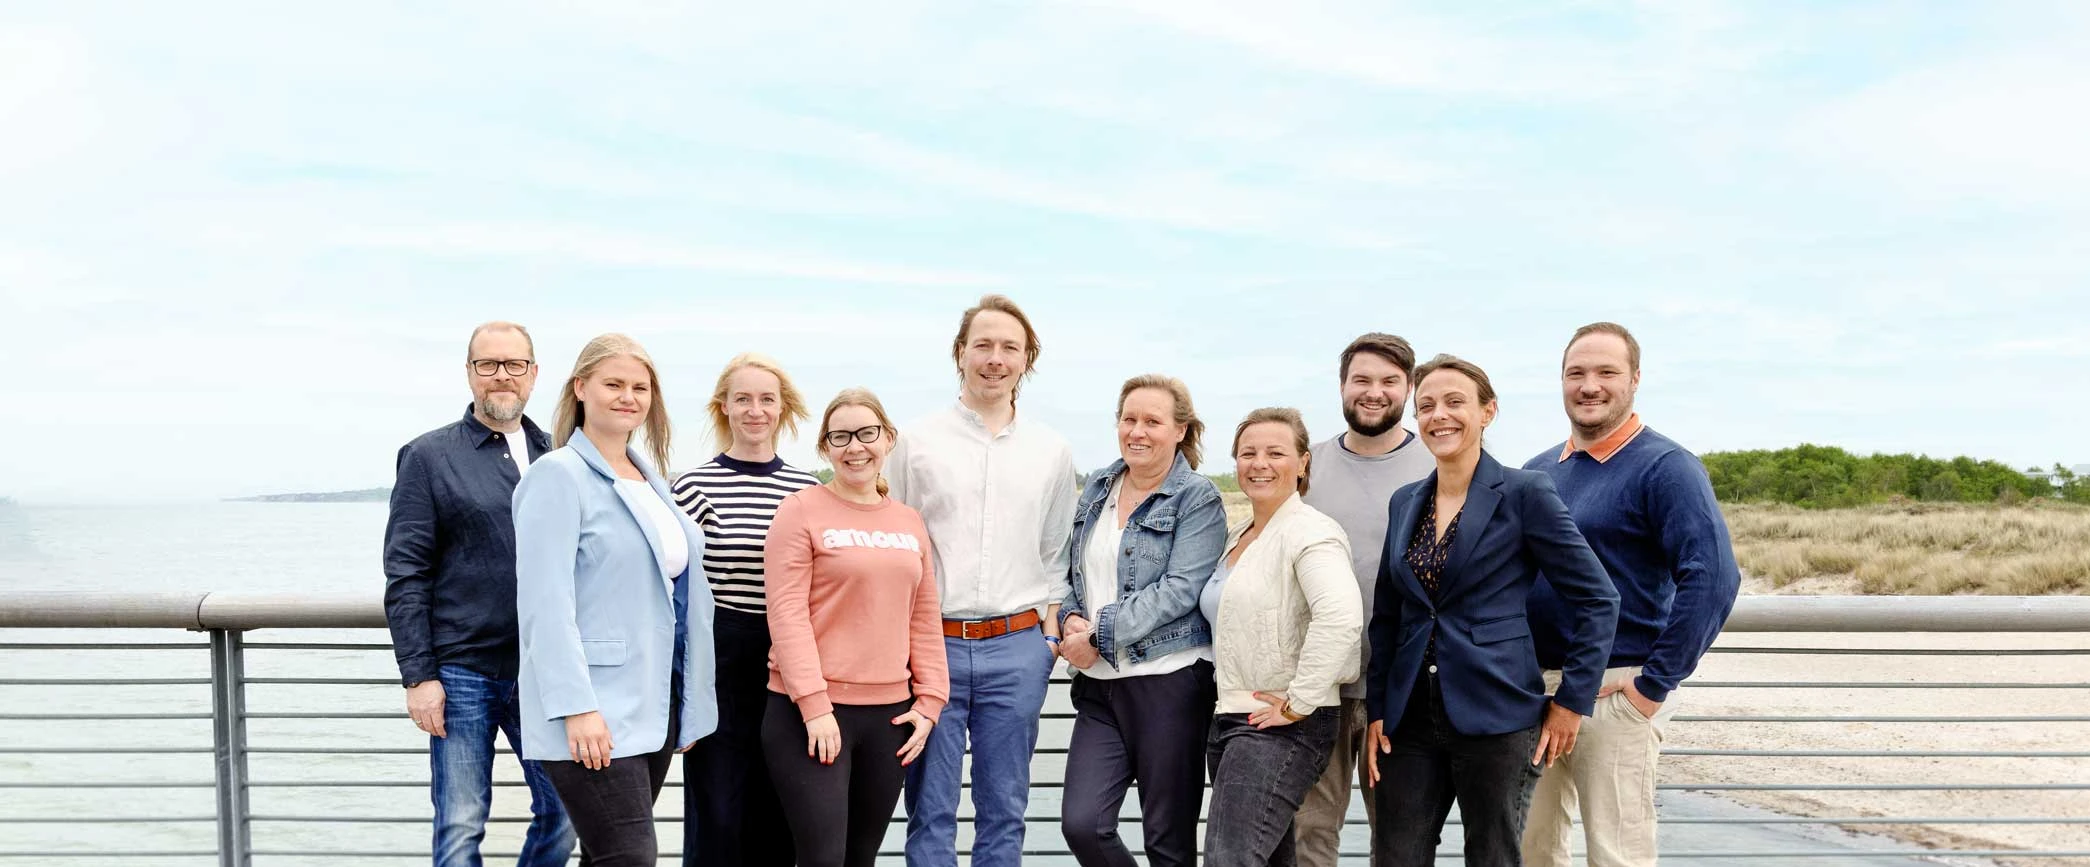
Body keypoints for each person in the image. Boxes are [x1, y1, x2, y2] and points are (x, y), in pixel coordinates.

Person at [1365, 354, 1618, 867]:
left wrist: (1572, 702)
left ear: (1488, 411)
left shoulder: (1525, 493)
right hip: (1409, 717)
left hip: (1498, 713)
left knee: (1494, 856)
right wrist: (1376, 709)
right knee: (1395, 856)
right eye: (1427, 406)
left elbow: (1597, 597)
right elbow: (1389, 616)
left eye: (1455, 402)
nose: (1440, 416)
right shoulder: (1404, 501)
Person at [1521, 323, 1741, 867]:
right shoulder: (1539, 470)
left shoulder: (1666, 467)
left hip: (1614, 693)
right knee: (1532, 851)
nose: (1589, 385)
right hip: (1530, 693)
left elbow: (1713, 578)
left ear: (1635, 380)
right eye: (1577, 373)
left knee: (1616, 854)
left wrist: (1652, 686)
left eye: (1606, 373)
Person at [889, 294, 1080, 867]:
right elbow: (897, 538)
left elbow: (1055, 550)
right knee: (929, 811)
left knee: (1005, 813)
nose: (995, 359)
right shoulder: (914, 441)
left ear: (1027, 360)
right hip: (932, 646)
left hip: (1018, 648)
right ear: (960, 353)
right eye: (983, 345)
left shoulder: (1052, 450)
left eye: (1010, 348)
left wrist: (1046, 640)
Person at [513, 333, 717, 866]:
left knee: (607, 856)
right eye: (613, 384)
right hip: (594, 708)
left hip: (655, 703)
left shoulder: (651, 481)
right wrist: (577, 707)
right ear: (580, 388)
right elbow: (544, 604)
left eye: (640, 387)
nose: (628, 397)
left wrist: (689, 702)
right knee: (629, 857)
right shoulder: (557, 475)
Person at [383, 321, 576, 867]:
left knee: (565, 812)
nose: (501, 377)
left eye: (514, 365)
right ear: (469, 373)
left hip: (544, 671)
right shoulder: (427, 456)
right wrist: (419, 677)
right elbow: (406, 573)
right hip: (462, 670)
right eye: (488, 365)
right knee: (461, 824)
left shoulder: (561, 453)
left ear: (534, 374)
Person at [763, 388, 950, 867]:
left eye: (867, 433)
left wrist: (929, 703)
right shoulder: (800, 510)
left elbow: (923, 618)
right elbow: (786, 613)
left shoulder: (908, 522)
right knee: (822, 858)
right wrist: (814, 705)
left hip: (890, 718)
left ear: (887, 439)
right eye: (840, 436)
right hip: (810, 714)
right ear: (825, 447)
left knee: (860, 857)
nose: (855, 447)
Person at [1057, 375, 1225, 867]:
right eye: (1129, 419)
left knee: (1167, 842)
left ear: (1180, 430)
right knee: (1083, 825)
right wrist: (1069, 616)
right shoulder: (1098, 488)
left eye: (1153, 421)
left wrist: (1097, 634)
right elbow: (1073, 571)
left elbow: (1180, 590)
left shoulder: (1199, 499)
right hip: (1098, 686)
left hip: (1169, 685)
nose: (1138, 431)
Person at [673, 353, 820, 867]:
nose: (754, 410)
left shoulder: (807, 490)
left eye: (766, 399)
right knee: (718, 799)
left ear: (783, 410)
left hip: (791, 652)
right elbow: (674, 583)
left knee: (780, 796)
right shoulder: (693, 487)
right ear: (724, 408)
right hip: (721, 652)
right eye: (742, 399)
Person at [1295, 333, 1436, 866]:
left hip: (1403, 689)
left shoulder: (1438, 461)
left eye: (1389, 382)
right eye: (1362, 380)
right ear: (1342, 386)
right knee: (1309, 832)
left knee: (1399, 838)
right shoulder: (1310, 465)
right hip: (1318, 684)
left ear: (1409, 388)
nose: (1373, 392)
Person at [1201, 407, 1363, 867]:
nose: (1259, 463)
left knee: (1228, 860)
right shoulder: (1240, 536)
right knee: (1270, 858)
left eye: (1276, 452)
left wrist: (1299, 700)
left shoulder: (1311, 531)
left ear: (1303, 462)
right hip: (1232, 718)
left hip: (1279, 726)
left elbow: (1340, 615)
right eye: (1248, 453)